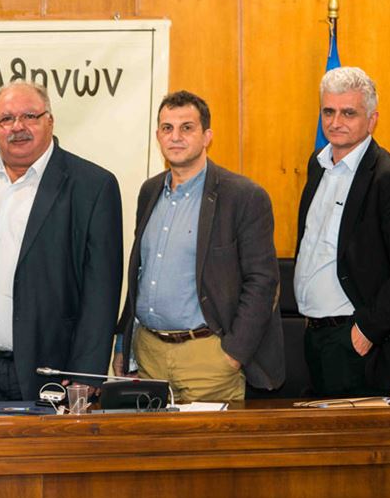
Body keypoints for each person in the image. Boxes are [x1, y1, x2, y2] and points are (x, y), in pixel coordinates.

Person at [0, 81, 123, 404]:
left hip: (53, 371)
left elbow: (102, 287)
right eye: (6, 119)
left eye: (30, 116)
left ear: (50, 121)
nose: (17, 127)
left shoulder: (92, 185)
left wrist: (87, 372)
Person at [114, 90, 284, 402]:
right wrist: (124, 344)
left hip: (209, 359)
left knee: (206, 438)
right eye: (167, 128)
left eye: (187, 128)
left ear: (207, 136)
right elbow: (140, 273)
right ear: (158, 136)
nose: (175, 137)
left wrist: (233, 354)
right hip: (149, 357)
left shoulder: (243, 196)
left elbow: (263, 282)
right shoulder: (149, 191)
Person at [295, 66, 390, 397]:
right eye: (328, 111)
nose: (335, 121)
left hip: (356, 341)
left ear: (372, 120)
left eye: (348, 113)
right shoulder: (317, 164)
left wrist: (367, 330)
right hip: (314, 335)